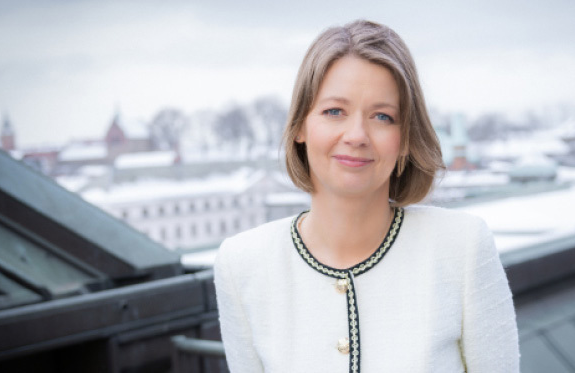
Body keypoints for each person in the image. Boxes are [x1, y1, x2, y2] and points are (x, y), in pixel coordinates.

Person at [214, 19, 519, 373]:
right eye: (334, 111)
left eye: (382, 116)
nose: (356, 134)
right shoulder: (241, 265)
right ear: (299, 125)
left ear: (405, 138)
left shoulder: (462, 247)